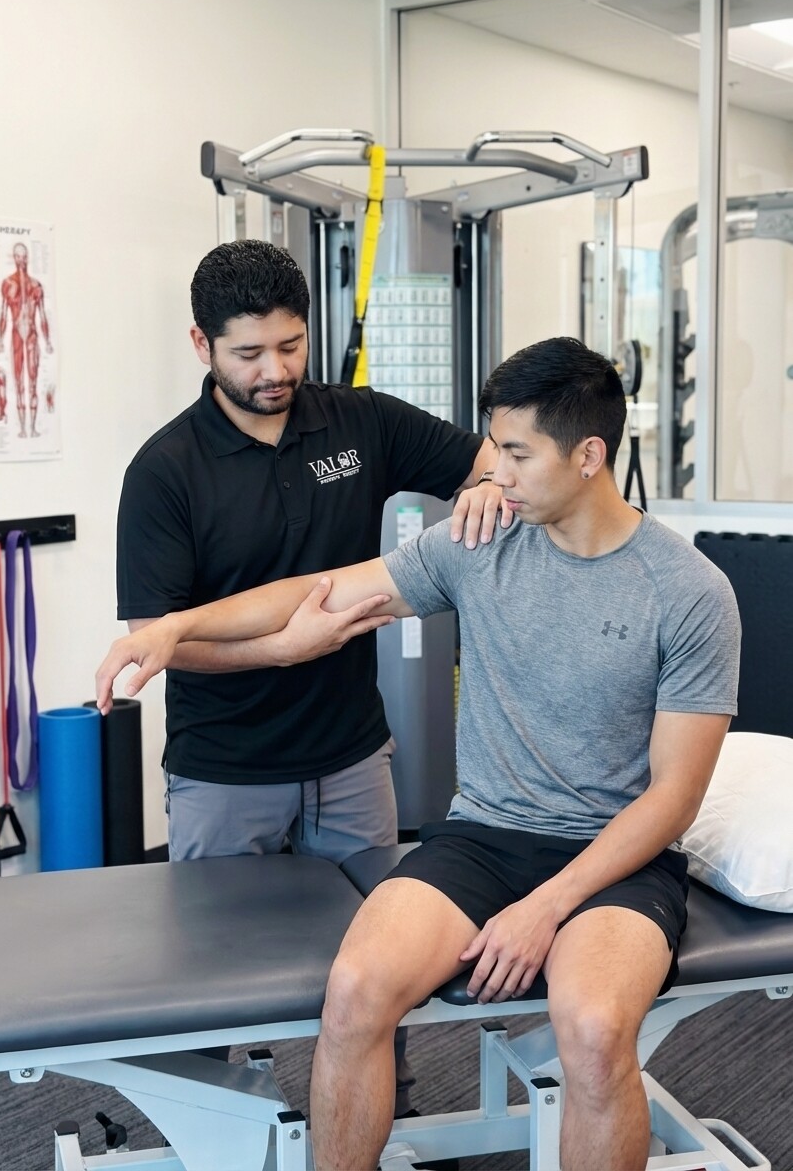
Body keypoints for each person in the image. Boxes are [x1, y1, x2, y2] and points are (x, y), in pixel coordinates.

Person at [98, 336, 740, 1171]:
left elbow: (672, 799)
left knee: (590, 1033)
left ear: (589, 456)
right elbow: (317, 591)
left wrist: (544, 907)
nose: (492, 475)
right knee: (356, 993)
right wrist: (174, 628)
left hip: (614, 855)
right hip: (481, 837)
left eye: (513, 454)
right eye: (492, 450)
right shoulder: (481, 545)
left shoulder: (688, 592)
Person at [115, 238, 502, 1135]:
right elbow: (154, 642)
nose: (275, 369)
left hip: (351, 757)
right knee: (213, 983)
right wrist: (285, 650)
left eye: (290, 345)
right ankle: (212, 1132)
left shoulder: (356, 421)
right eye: (249, 352)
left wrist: (485, 485)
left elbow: (484, 456)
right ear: (201, 345)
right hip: (224, 771)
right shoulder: (166, 470)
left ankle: (386, 1125)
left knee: (379, 963)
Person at [0, 242, 53, 438]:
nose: (21, 261)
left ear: (28, 258)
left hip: (31, 336)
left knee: (32, 382)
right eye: (18, 257)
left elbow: (43, 316)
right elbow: (4, 314)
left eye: (24, 257)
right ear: (14, 258)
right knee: (19, 382)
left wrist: (47, 341)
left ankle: (33, 428)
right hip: (16, 337)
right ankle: (22, 428)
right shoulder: (8, 284)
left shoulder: (36, 286)